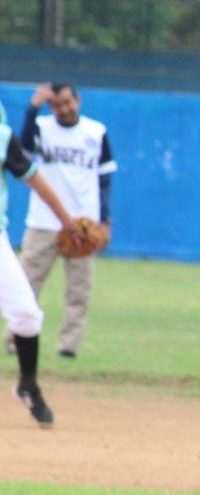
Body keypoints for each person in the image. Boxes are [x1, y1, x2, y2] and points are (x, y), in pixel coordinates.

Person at [4, 82, 116, 360]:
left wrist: (104, 220)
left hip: (82, 223)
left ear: (78, 100)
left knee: (79, 290)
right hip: (42, 221)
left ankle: (69, 346)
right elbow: (22, 152)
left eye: (67, 102)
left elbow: (104, 178)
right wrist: (32, 108)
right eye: (56, 104)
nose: (63, 108)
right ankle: (15, 341)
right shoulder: (41, 127)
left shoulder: (96, 132)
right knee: (26, 283)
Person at [0, 102, 79, 426]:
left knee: (27, 316)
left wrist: (66, 221)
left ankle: (28, 385)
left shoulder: (2, 137)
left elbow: (35, 179)